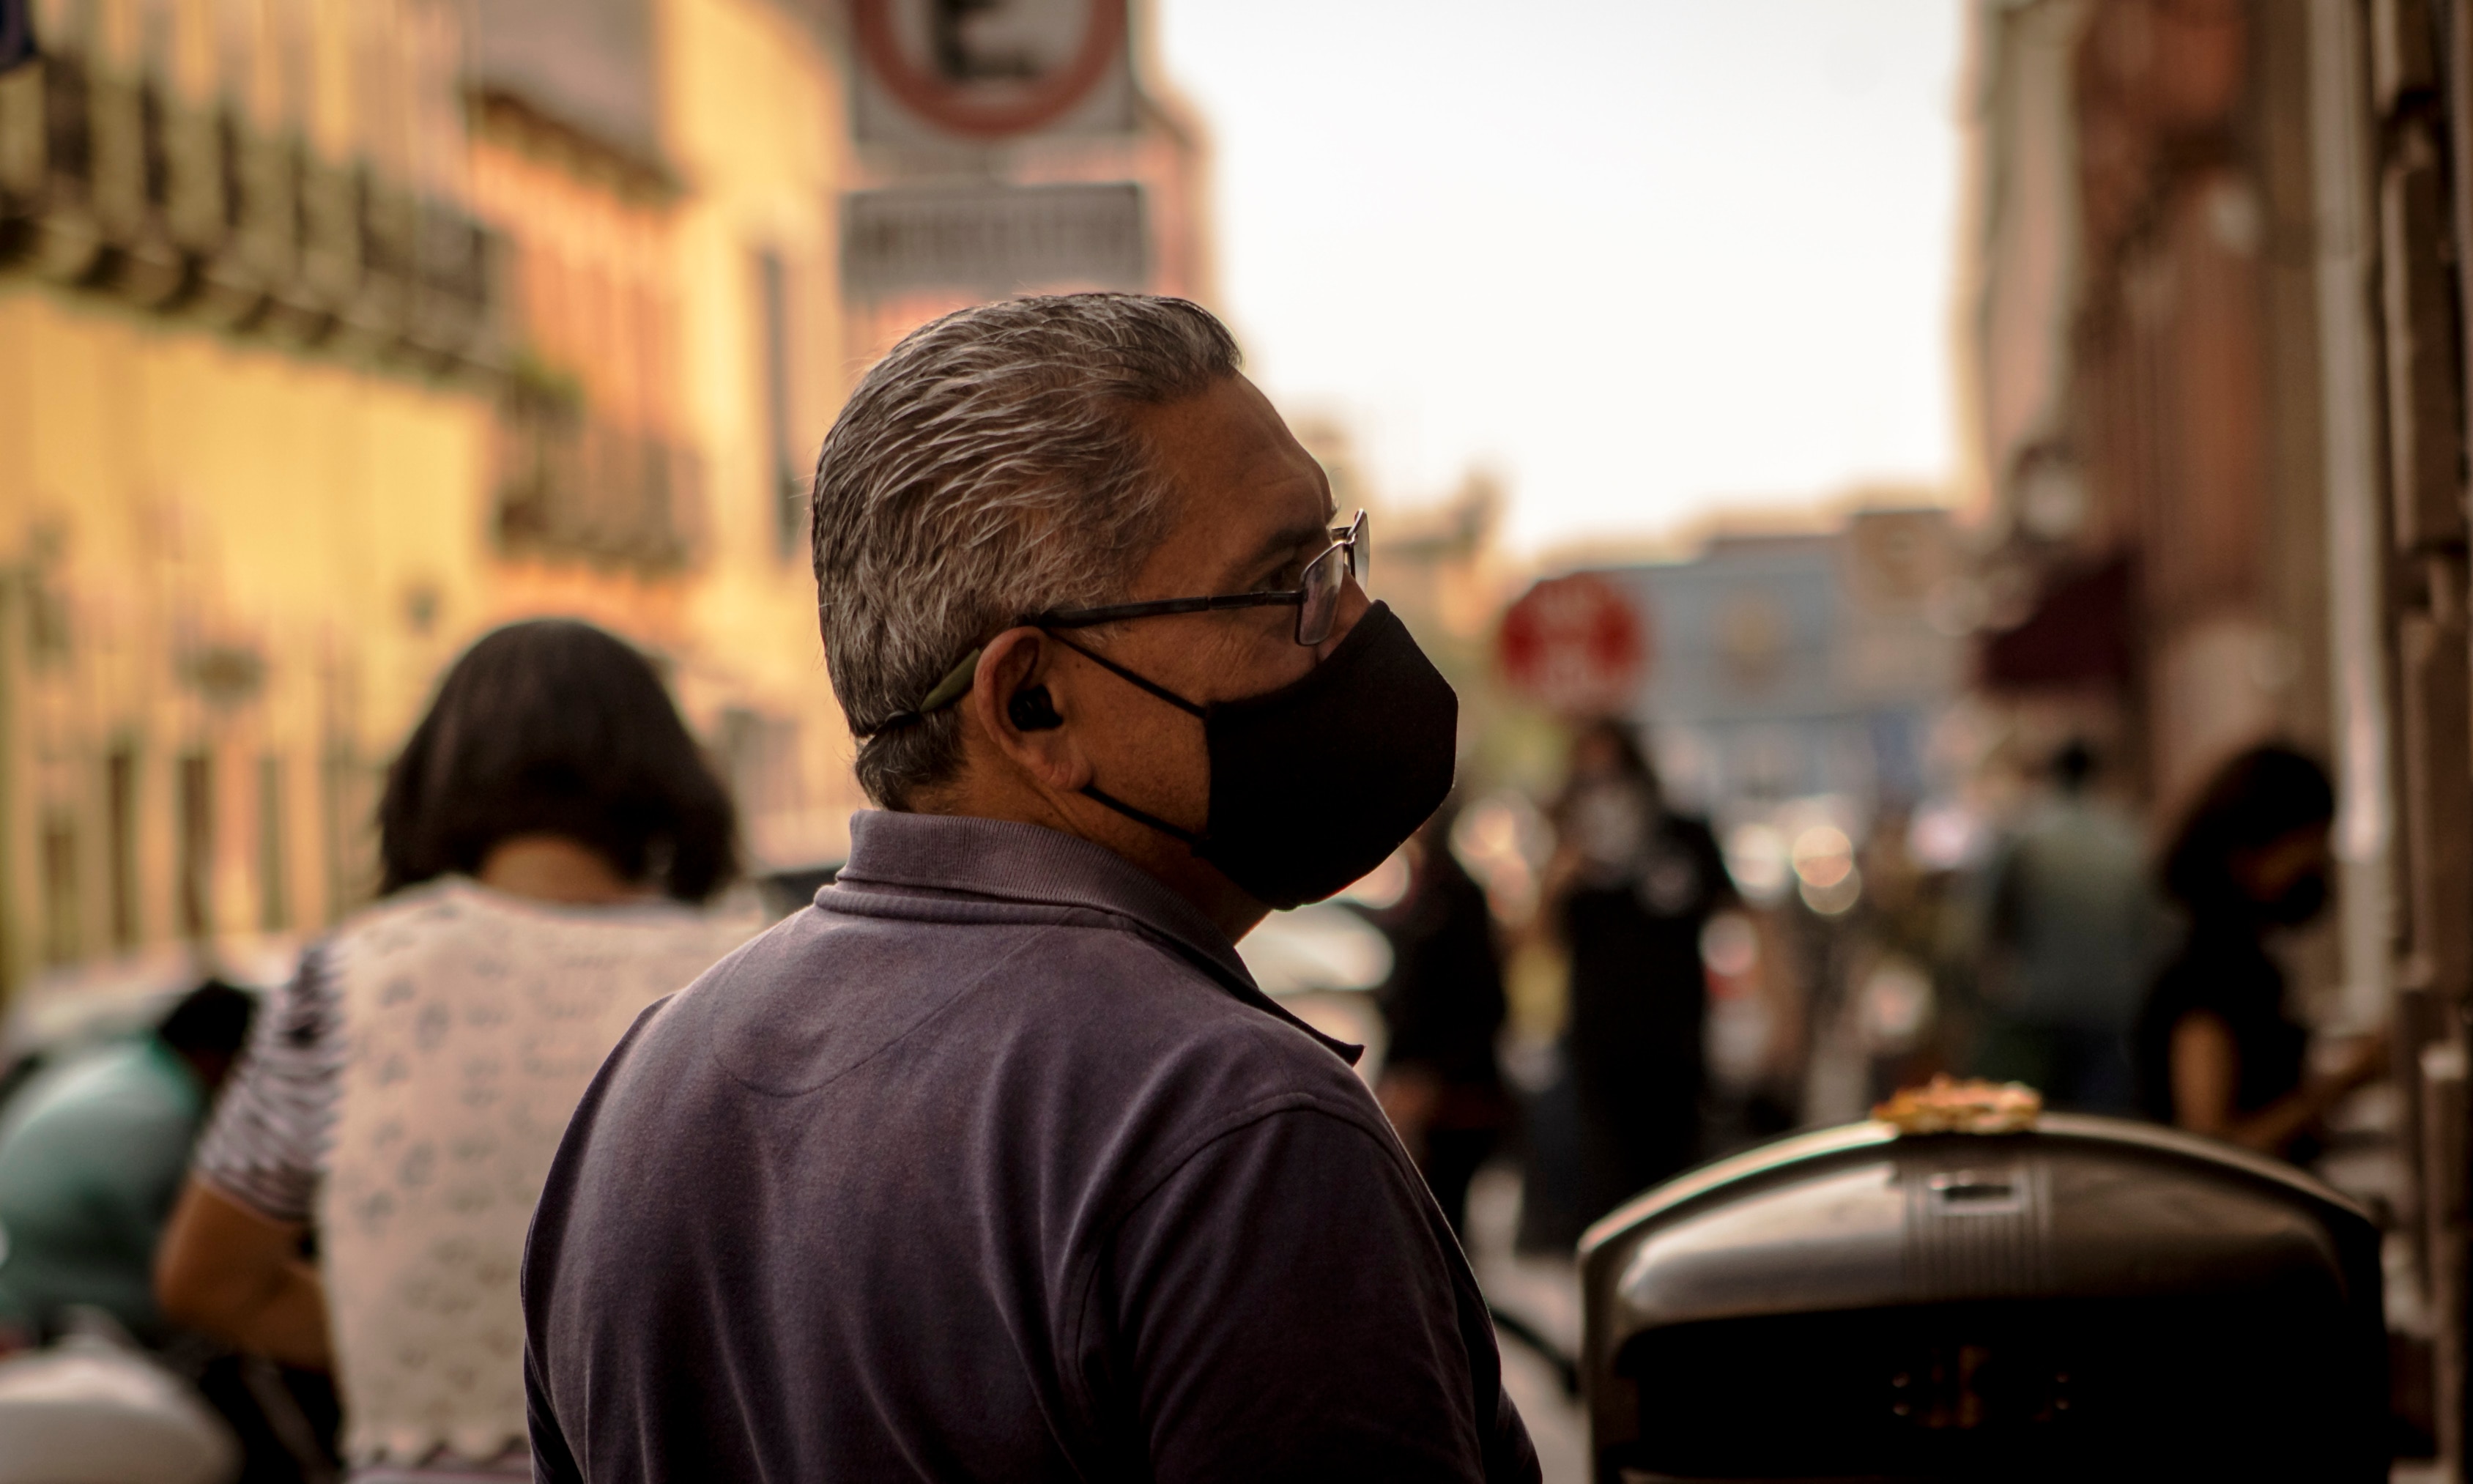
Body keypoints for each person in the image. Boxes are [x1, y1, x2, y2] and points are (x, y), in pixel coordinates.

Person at [521, 294, 1538, 1482]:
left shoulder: (639, 1099)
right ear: (1034, 704)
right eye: (1287, 581)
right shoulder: (1235, 1126)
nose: (1353, 620)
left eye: (1339, 553)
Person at [155, 618, 751, 1481]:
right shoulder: (750, 971)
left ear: (435, 777)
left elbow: (208, 1278)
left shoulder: (350, 978)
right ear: (668, 774)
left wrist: (405, 1360)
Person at [2132, 743, 2385, 1160]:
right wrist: (2344, 1082)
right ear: (2249, 851)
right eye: (2308, 843)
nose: (2318, 863)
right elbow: (2214, 1149)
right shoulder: (2208, 975)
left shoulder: (2241, 961)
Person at [1542, 719, 1737, 1231]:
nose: (1604, 794)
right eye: (1588, 781)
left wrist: (1776, 1012)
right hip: (1601, 1052)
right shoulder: (1572, 855)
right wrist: (1558, 878)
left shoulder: (1681, 837)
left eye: (1613, 776)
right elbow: (1534, 944)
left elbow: (1742, 916)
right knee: (1611, 1195)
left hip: (1677, 1046)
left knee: (1681, 1191)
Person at [0, 980, 254, 1346]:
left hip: (24, 1270)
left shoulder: (126, 1065)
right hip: (50, 1294)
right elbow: (185, 1258)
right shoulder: (161, 1112)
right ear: (217, 1056)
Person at [1965, 741, 2162, 1111]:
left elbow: (1987, 921)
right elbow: (2150, 927)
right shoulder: (2127, 838)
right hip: (2110, 1007)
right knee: (2098, 1123)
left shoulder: (2025, 838)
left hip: (2038, 1005)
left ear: (2052, 776)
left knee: (2035, 1117)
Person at [1368, 806, 1513, 1236]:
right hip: (1427, 1092)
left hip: (1455, 1101)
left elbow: (1484, 1005)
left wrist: (1429, 1080)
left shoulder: (1455, 896)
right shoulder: (1417, 890)